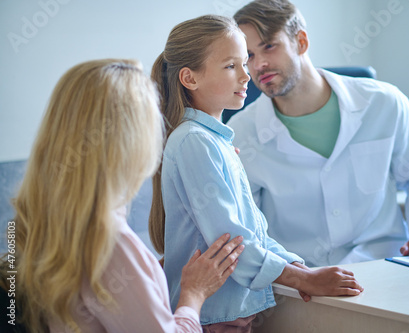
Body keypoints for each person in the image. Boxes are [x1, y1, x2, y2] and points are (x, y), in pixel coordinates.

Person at [148, 14, 363, 332]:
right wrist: (303, 278)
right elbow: (232, 241)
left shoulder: (214, 140)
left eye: (244, 64)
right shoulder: (194, 140)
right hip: (213, 318)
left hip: (232, 313)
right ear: (190, 79)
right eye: (231, 66)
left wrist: (296, 266)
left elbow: (254, 232)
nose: (246, 76)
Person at [0, 59, 245, 333]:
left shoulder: (44, 221)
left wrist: (149, 271)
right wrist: (193, 296)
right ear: (133, 140)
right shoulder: (109, 240)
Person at [227, 0, 409, 267]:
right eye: (249, 56)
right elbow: (247, 230)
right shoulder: (241, 133)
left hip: (384, 266)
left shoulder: (383, 103)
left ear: (301, 42)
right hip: (302, 280)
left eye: (269, 46)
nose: (259, 65)